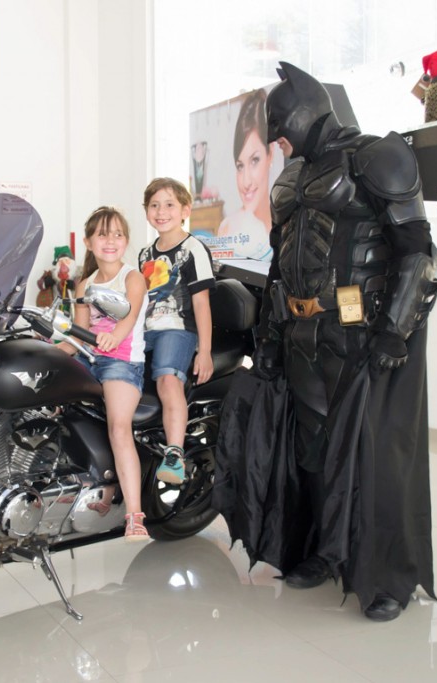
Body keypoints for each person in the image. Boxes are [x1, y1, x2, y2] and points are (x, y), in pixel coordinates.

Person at [249, 62, 437, 621]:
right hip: (303, 332)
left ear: (307, 112)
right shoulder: (291, 178)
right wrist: (269, 333)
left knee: (377, 457)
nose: (277, 138)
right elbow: (280, 267)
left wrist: (394, 330)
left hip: (362, 332)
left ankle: (387, 578)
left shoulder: (379, 156)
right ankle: (325, 551)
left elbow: (418, 251)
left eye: (281, 124)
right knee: (312, 451)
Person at [61, 207, 149, 542]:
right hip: (91, 359)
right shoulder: (84, 284)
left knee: (118, 428)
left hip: (122, 362)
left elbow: (129, 317)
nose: (110, 240)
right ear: (88, 242)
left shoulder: (131, 277)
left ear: (125, 240)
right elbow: (79, 335)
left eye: (117, 234)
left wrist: (114, 337)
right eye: (102, 234)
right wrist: (48, 351)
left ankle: (134, 517)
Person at [138, 178, 215, 485]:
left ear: (185, 210)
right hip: (147, 330)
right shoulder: (145, 254)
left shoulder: (193, 248)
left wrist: (204, 351)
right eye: (154, 205)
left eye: (169, 204)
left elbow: (202, 303)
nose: (161, 211)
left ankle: (174, 454)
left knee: (168, 381)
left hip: (178, 329)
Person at [217, 88, 274, 260]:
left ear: (270, 153)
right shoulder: (228, 229)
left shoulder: (288, 226)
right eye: (240, 166)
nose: (246, 181)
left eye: (255, 160)